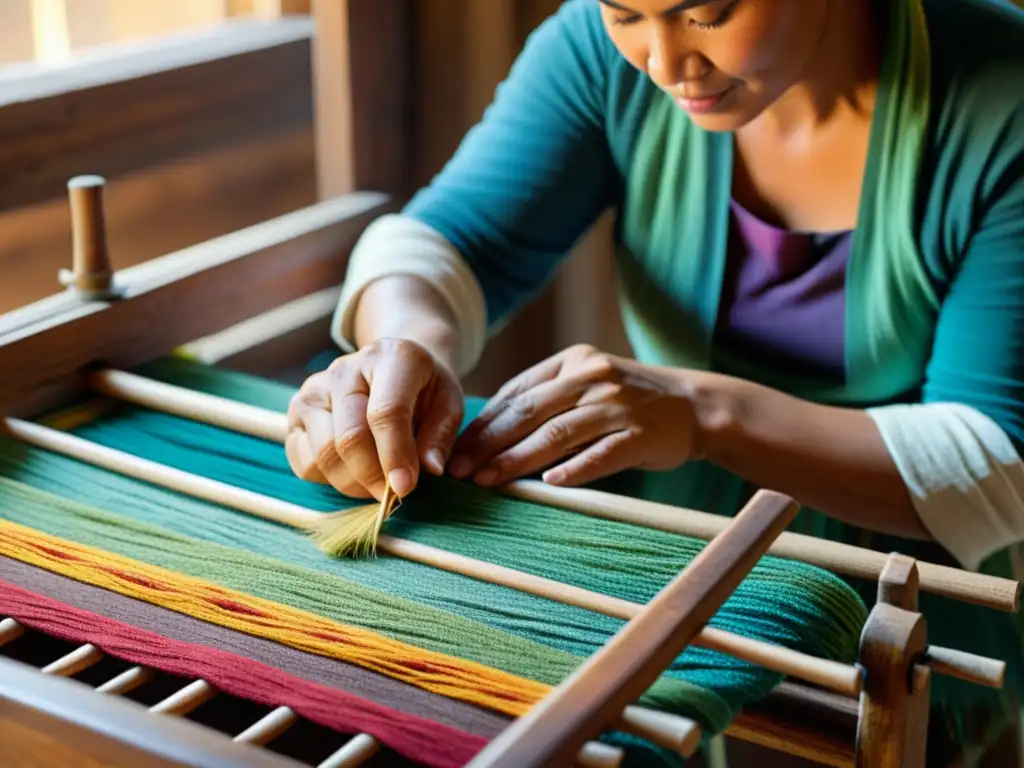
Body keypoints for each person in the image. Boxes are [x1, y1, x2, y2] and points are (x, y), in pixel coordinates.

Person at [287, 0, 1024, 762]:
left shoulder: (1004, 98)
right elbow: (448, 241)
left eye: (706, 14)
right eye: (624, 12)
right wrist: (407, 344)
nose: (664, 63)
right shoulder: (595, 55)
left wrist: (706, 412)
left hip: (902, 621)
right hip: (660, 578)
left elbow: (995, 460)